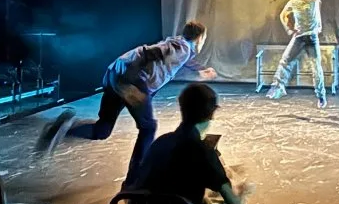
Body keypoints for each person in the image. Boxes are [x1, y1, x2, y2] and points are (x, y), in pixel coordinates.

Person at [38, 21, 216, 186]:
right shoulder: (181, 47)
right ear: (200, 38)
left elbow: (183, 58)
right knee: (148, 128)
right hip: (130, 81)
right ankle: (135, 180)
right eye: (205, 38)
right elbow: (149, 52)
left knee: (103, 129)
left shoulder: (181, 45)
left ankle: (64, 127)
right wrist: (130, 82)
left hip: (116, 73)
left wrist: (201, 70)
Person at [126, 83, 259, 204]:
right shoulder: (203, 151)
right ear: (212, 112)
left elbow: (195, 202)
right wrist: (243, 193)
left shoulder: (160, 143)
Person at [267, 0, 339, 107]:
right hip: (299, 36)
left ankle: (321, 96)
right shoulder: (294, 2)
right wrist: (289, 28)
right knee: (285, 61)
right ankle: (278, 87)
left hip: (312, 37)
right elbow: (283, 15)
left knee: (316, 68)